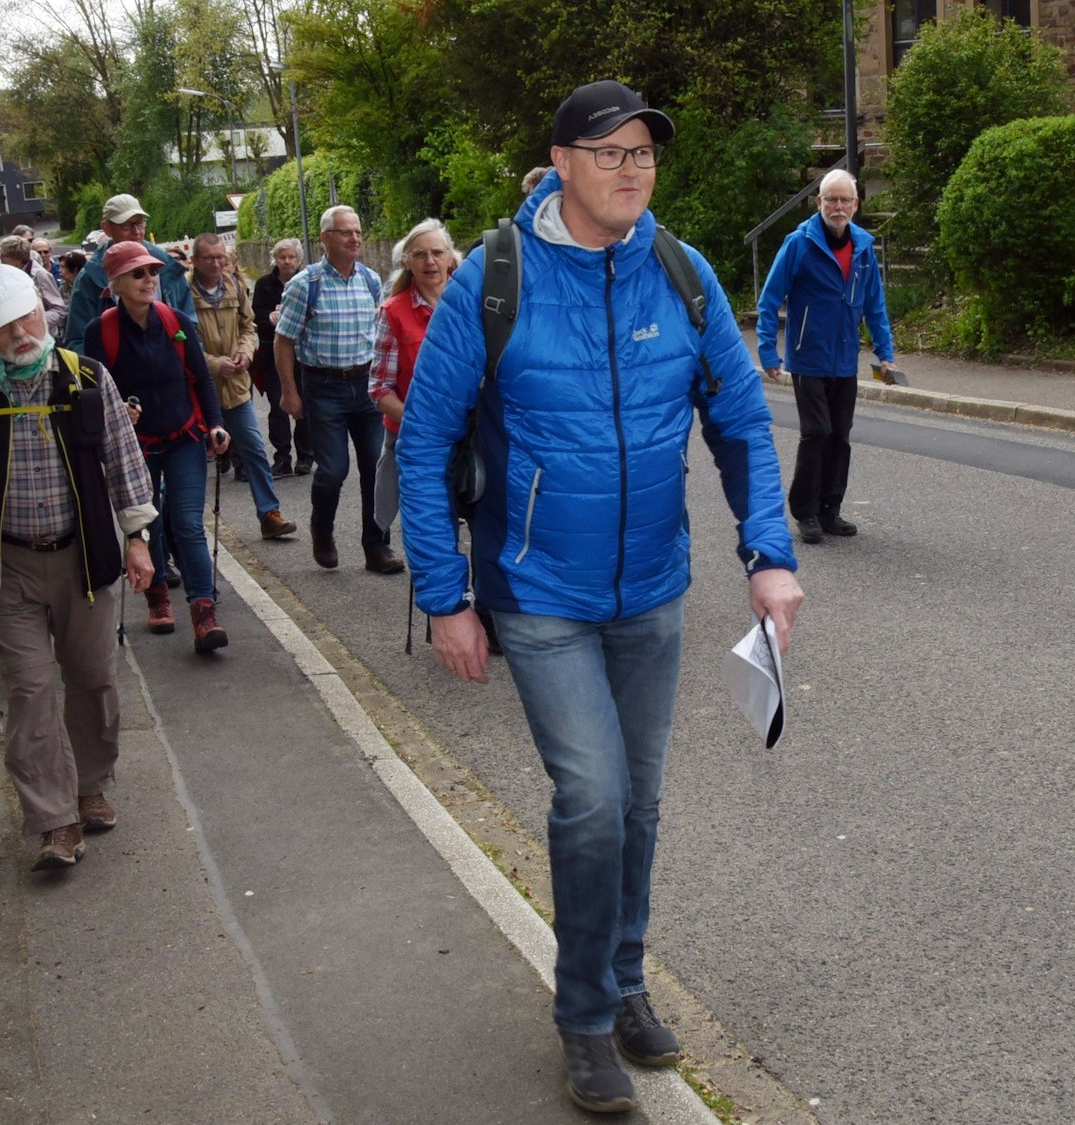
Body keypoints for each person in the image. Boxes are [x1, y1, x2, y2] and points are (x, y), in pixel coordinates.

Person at [397, 81, 803, 1114]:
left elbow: (743, 424)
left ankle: (624, 979)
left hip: (650, 589)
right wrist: (445, 597)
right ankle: (582, 1018)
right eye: (610, 152)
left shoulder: (681, 272)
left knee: (640, 804)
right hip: (539, 592)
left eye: (644, 154)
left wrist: (767, 551)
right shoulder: (490, 282)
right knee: (591, 800)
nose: (631, 170)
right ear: (562, 162)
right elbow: (427, 436)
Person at [0, 264, 156, 870]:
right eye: (2, 326)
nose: (18, 333)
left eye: (25, 318)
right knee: (29, 691)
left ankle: (91, 787)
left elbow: (123, 460)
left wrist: (139, 539)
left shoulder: (85, 379)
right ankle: (55, 822)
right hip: (7, 566)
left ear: (40, 312)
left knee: (93, 680)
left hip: (84, 560)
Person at [79, 240, 230, 650]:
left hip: (183, 437)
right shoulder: (101, 332)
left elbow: (200, 378)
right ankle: (158, 597)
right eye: (138, 273)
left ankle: (204, 611)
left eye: (152, 272)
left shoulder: (175, 321)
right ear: (116, 284)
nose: (149, 279)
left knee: (188, 525)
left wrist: (215, 424)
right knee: (149, 525)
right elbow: (97, 392)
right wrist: (118, 414)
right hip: (135, 447)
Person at [756, 166, 899, 544]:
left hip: (844, 359)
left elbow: (875, 307)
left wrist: (886, 355)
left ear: (855, 204)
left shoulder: (864, 248)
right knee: (816, 431)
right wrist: (768, 350)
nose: (838, 206)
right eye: (831, 199)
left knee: (840, 436)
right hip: (807, 357)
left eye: (845, 199)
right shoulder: (799, 243)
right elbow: (770, 299)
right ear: (818, 202)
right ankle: (804, 512)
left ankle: (830, 510)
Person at [273, 205, 403, 574]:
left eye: (358, 231)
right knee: (332, 470)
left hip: (367, 387)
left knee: (374, 469)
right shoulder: (305, 284)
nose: (355, 238)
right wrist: (289, 391)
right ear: (325, 238)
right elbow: (283, 342)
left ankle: (377, 547)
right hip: (323, 386)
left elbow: (381, 337)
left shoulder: (370, 280)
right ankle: (322, 528)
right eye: (346, 232)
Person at [190, 233, 294, 540]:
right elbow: (181, 339)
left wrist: (246, 353)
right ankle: (189, 525)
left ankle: (269, 514)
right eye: (209, 258)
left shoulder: (234, 285)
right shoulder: (182, 291)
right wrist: (213, 363)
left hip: (235, 384)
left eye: (220, 256)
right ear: (195, 260)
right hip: (198, 388)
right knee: (193, 458)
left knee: (254, 448)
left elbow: (248, 327)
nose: (217, 263)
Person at [367, 218, 457, 533]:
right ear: (407, 261)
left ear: (450, 258)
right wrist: (421, 423)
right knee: (430, 529)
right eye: (420, 254)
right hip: (415, 437)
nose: (430, 261)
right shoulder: (393, 312)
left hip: (469, 435)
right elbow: (379, 389)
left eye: (437, 252)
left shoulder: (471, 303)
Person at [62, 194, 197, 353]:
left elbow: (190, 327)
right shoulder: (91, 277)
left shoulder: (167, 267)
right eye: (127, 225)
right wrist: (106, 373)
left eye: (140, 223)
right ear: (106, 228)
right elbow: (77, 341)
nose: (136, 231)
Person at [252, 238, 310, 478]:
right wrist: (271, 317)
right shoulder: (264, 284)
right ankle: (282, 457)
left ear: (299, 259)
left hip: (303, 354)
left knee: (305, 406)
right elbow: (256, 314)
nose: (286, 261)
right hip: (272, 352)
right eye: (282, 257)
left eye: (291, 257)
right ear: (275, 259)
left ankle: (306, 457)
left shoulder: (308, 282)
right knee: (278, 406)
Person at [0, 235, 66, 338]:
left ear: (17, 259)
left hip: (44, 338)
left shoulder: (41, 275)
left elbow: (59, 309)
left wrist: (34, 322)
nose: (0, 257)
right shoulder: (8, 273)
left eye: (4, 255)